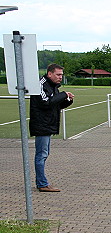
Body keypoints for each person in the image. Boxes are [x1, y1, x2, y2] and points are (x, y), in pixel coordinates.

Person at [29, 64, 74, 192]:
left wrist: (68, 100)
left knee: (44, 154)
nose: (61, 77)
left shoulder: (53, 87)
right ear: (49, 74)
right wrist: (63, 94)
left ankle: (42, 182)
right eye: (58, 74)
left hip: (48, 125)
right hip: (41, 125)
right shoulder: (40, 85)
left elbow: (55, 105)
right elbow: (45, 102)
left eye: (61, 75)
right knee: (41, 155)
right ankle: (42, 184)